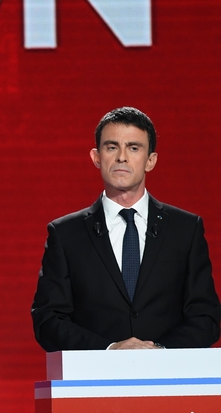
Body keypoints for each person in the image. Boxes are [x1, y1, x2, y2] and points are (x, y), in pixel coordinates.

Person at [31, 106, 220, 351]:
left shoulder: (185, 230)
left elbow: (206, 317)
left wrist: (159, 352)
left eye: (133, 147)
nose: (122, 157)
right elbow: (48, 321)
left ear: (150, 160)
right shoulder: (66, 234)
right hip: (93, 384)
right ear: (96, 157)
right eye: (111, 147)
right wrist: (110, 350)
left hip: (169, 382)